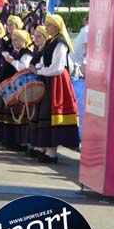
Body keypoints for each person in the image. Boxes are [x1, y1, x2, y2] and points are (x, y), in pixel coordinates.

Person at [30, 14, 80, 163]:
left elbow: (57, 68)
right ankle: (44, 147)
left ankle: (51, 152)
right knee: (45, 112)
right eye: (46, 25)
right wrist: (38, 68)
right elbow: (45, 62)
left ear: (57, 27)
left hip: (57, 81)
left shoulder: (60, 43)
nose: (47, 28)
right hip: (49, 79)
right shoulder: (51, 41)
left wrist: (39, 71)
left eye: (49, 25)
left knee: (53, 113)